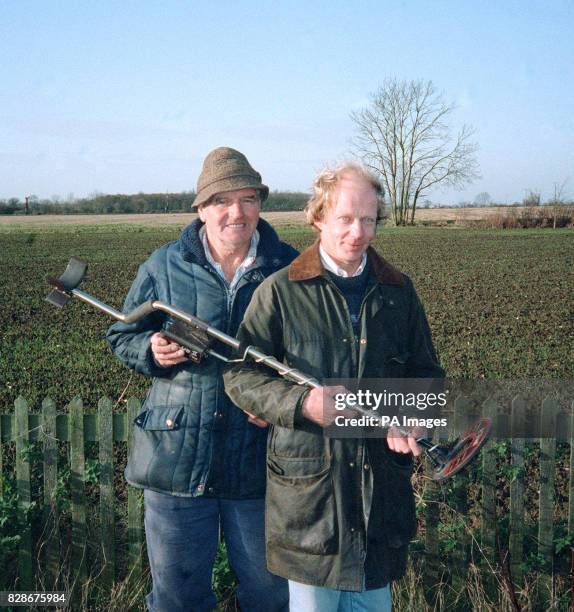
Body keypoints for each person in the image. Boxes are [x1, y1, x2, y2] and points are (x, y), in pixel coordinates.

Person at [224, 163, 444, 611]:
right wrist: (302, 403)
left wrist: (417, 417)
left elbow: (427, 378)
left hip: (377, 504)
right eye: (345, 218)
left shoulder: (398, 293)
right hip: (310, 509)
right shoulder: (280, 291)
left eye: (368, 219)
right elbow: (240, 375)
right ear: (319, 217)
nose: (357, 232)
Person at [107, 147, 296, 612]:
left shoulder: (290, 268)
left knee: (270, 596)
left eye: (248, 199)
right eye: (222, 201)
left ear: (260, 204)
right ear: (202, 209)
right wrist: (150, 349)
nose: (237, 212)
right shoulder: (165, 264)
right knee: (178, 599)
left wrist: (280, 405)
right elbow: (121, 334)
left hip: (258, 466)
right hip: (174, 462)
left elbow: (311, 358)